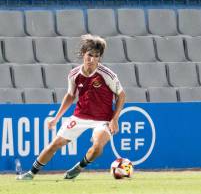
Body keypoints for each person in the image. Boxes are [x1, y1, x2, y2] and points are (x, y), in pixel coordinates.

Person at [17, 34, 126, 180]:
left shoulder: (107, 75)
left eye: (96, 56)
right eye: (90, 55)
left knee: (98, 146)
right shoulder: (74, 74)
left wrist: (115, 119)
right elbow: (70, 95)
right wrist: (56, 118)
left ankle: (78, 167)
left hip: (103, 119)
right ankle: (30, 174)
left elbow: (121, 95)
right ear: (83, 54)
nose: (92, 59)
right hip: (80, 116)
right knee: (54, 145)